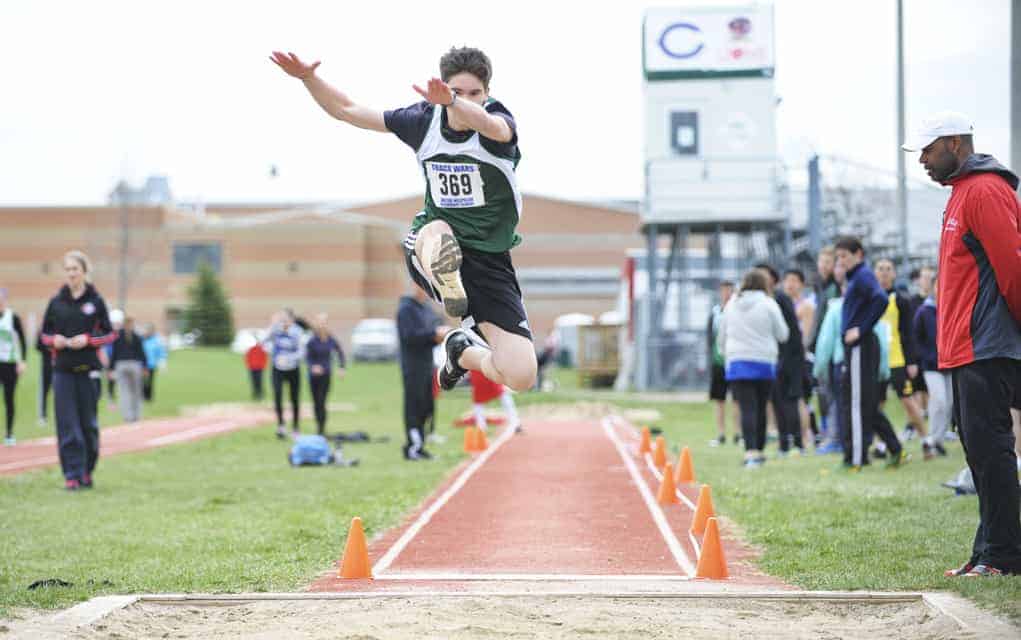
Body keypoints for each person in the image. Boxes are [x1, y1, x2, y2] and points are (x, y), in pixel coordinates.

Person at [271, 46, 537, 397]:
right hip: (429, 244)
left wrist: (455, 104)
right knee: (440, 232)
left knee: (520, 374)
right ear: (442, 89)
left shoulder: (496, 123)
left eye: (476, 94)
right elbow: (348, 110)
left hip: (490, 263)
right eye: (457, 92)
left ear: (487, 94)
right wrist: (309, 78)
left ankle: (461, 352)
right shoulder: (423, 121)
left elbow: (493, 127)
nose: (467, 101)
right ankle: (446, 277)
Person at [904, 111, 1021, 576]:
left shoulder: (986, 190)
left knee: (991, 451)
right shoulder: (960, 194)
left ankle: (1004, 556)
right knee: (977, 452)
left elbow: (1012, 267)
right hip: (964, 347)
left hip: (986, 345)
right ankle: (987, 551)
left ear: (955, 144)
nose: (923, 162)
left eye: (928, 152)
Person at [40, 250, 115, 491]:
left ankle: (86, 471)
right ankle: (71, 474)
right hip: (62, 372)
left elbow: (110, 333)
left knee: (88, 425)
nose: (71, 273)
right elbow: (43, 336)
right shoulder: (56, 302)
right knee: (67, 425)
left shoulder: (95, 301)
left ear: (84, 271)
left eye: (76, 269)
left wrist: (88, 340)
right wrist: (56, 341)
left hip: (88, 371)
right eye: (68, 269)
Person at [834, 236, 905, 470]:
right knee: (865, 403)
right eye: (839, 256)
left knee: (855, 403)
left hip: (861, 347)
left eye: (845, 256)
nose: (841, 261)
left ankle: (855, 459)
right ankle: (894, 448)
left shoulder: (863, 276)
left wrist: (861, 329)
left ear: (859, 255)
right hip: (857, 348)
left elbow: (881, 299)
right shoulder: (855, 278)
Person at [813, 262, 892, 456]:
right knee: (866, 405)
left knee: (847, 406)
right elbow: (881, 341)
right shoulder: (869, 313)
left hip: (844, 364)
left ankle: (850, 448)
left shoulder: (836, 309)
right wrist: (883, 369)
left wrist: (819, 369)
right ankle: (868, 444)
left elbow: (824, 343)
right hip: (870, 364)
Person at [717, 269, 789, 468]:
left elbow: (721, 335)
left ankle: (750, 452)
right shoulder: (769, 304)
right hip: (764, 361)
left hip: (738, 361)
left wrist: (726, 354)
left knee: (746, 407)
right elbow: (783, 334)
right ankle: (759, 450)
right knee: (761, 407)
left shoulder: (731, 304)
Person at [873, 258, 929, 457]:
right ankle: (881, 445)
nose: (884, 273)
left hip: (897, 359)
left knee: (908, 402)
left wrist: (911, 360)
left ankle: (926, 441)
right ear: (874, 273)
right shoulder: (870, 298)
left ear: (894, 274)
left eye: (888, 269)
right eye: (880, 269)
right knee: (876, 405)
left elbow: (909, 332)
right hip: (876, 361)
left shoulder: (901, 300)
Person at [397, 285, 451, 460]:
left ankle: (421, 444)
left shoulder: (425, 308)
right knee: (414, 406)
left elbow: (436, 324)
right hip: (413, 366)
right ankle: (413, 447)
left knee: (426, 406)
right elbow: (409, 336)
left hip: (428, 363)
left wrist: (440, 332)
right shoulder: (406, 309)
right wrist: (433, 334)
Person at [756, 263, 805, 455]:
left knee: (790, 401)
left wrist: (786, 358)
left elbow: (791, 332)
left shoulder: (781, 299)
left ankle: (798, 443)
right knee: (777, 402)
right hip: (773, 358)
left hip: (789, 358)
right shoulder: (765, 300)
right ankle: (784, 443)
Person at [912, 278, 949, 457]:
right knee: (939, 400)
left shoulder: (949, 308)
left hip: (949, 364)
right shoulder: (923, 311)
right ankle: (932, 438)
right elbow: (916, 338)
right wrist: (925, 357)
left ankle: (939, 439)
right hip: (931, 365)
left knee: (948, 404)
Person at [782, 268, 819, 447]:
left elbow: (806, 335)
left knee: (801, 399)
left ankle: (805, 436)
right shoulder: (782, 304)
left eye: (794, 280)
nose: (790, 284)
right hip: (784, 359)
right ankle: (789, 434)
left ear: (802, 284)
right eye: (787, 280)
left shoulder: (806, 306)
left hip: (800, 359)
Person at [707, 281, 739, 445]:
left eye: (729, 290)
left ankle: (737, 434)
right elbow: (710, 337)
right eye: (723, 290)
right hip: (718, 362)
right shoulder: (715, 312)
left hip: (733, 361)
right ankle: (720, 434)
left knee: (736, 400)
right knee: (719, 399)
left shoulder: (737, 311)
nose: (726, 293)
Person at [264, 310, 305, 439]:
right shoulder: (275, 330)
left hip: (293, 369)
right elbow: (264, 342)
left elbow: (302, 352)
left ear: (292, 320)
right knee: (277, 394)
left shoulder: (298, 332)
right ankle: (281, 425)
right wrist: (272, 325)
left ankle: (295, 427)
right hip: (278, 368)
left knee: (294, 398)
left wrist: (289, 358)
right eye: (282, 319)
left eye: (286, 319)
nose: (284, 322)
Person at [305, 313, 347, 436]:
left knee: (322, 401)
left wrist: (341, 367)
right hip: (313, 376)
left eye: (324, 322)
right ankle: (318, 426)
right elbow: (307, 357)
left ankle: (321, 429)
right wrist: (313, 366)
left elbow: (340, 353)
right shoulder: (312, 341)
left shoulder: (331, 339)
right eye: (319, 322)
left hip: (326, 374)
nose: (322, 324)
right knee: (316, 402)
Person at [0, 289, 28, 445]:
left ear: (5, 300)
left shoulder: (13, 318)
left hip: (10, 364)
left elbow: (23, 340)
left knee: (8, 399)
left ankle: (9, 433)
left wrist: (22, 361)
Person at [110, 315, 146, 423]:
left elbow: (114, 353)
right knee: (136, 391)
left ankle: (127, 416)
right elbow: (141, 353)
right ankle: (136, 416)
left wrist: (111, 368)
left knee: (124, 392)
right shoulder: (136, 336)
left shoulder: (117, 336)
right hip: (134, 364)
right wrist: (145, 366)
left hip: (121, 365)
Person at [468, 369, 521, 434]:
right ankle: (515, 423)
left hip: (483, 374)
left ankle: (481, 427)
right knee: (504, 395)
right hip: (487, 373)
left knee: (478, 403)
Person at [141, 323, 167, 402]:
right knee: (141, 381)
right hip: (141, 365)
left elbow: (161, 352)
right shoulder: (141, 339)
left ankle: (148, 397)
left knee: (150, 382)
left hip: (151, 365)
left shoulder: (156, 340)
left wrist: (162, 363)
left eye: (149, 330)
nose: (147, 332)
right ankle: (142, 396)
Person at [36, 330, 53, 427]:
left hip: (60, 365)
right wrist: (48, 348)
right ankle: (42, 416)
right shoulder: (42, 330)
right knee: (43, 391)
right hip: (46, 365)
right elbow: (37, 346)